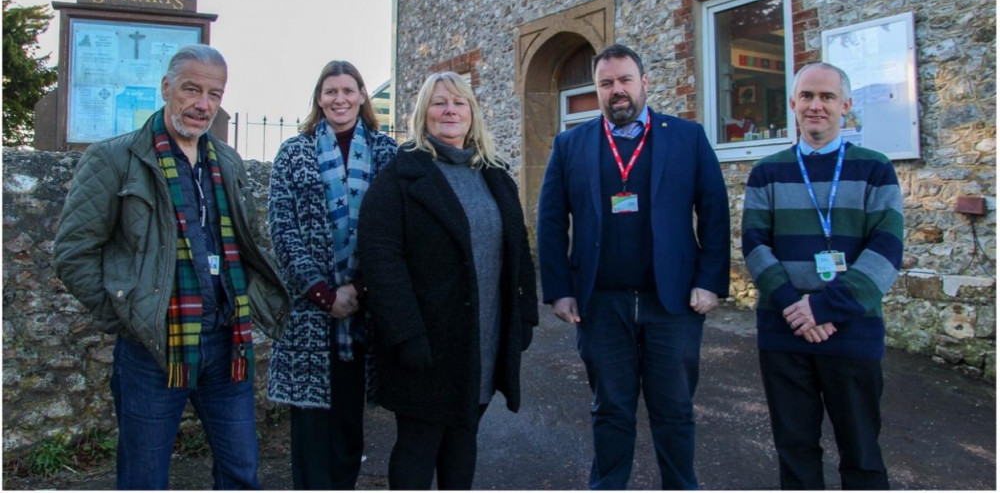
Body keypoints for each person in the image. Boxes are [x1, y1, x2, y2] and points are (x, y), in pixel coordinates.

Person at [52, 44, 290, 490]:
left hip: (226, 347)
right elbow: (73, 252)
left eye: (214, 94)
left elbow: (245, 244)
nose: (203, 104)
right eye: (191, 89)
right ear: (166, 87)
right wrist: (126, 317)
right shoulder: (115, 160)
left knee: (242, 472)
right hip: (152, 351)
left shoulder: (228, 161)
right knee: (144, 478)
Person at [536, 43, 730, 489]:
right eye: (606, 83)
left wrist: (710, 281)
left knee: (675, 410)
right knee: (611, 410)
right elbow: (549, 220)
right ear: (597, 90)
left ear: (644, 82)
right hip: (600, 304)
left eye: (624, 80)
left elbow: (715, 211)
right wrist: (559, 287)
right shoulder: (571, 144)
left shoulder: (687, 137)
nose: (616, 90)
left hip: (674, 303)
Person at [358, 71, 538, 490]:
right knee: (419, 445)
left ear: (472, 113)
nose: (450, 111)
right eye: (440, 103)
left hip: (483, 339)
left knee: (463, 439)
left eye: (459, 103)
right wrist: (405, 334)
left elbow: (518, 249)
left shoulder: (494, 175)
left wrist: (524, 316)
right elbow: (381, 259)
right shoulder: (401, 178)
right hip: (425, 342)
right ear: (424, 113)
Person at [741, 62, 904, 489]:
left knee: (862, 452)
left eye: (827, 97)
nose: (817, 106)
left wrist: (824, 308)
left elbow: (887, 249)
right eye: (807, 97)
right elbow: (755, 246)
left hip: (851, 330)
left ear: (846, 106)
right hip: (784, 332)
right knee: (794, 452)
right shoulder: (766, 172)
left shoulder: (875, 169)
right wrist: (798, 310)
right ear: (792, 104)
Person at [266, 60, 398, 489]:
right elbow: (282, 230)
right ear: (318, 99)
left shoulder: (386, 153)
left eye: (348, 90)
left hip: (364, 311)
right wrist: (324, 294)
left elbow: (398, 231)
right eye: (330, 91)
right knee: (308, 426)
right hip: (310, 312)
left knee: (347, 422)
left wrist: (357, 291)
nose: (339, 99)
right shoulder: (294, 152)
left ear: (362, 95)